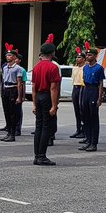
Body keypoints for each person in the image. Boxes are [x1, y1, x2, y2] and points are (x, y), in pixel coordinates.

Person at [31, 35, 61, 165]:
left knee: (38, 126)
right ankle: (42, 155)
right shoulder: (53, 67)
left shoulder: (36, 66)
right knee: (46, 126)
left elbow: (33, 87)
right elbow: (53, 88)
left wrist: (33, 103)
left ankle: (37, 155)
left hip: (38, 96)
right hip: (47, 96)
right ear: (53, 53)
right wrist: (54, 106)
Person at [78, 45, 105, 152]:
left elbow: (100, 83)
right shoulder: (85, 67)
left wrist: (99, 98)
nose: (87, 57)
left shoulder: (99, 68)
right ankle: (88, 140)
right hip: (86, 90)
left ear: (94, 56)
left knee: (93, 118)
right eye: (87, 55)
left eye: (90, 55)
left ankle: (94, 143)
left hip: (94, 90)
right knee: (85, 117)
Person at [0, 45, 25, 142]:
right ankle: (8, 132)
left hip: (13, 89)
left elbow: (19, 83)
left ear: (14, 57)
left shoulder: (18, 68)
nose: (8, 57)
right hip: (6, 89)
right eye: (7, 55)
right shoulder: (5, 67)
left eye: (10, 55)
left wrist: (19, 96)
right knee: (7, 112)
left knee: (13, 113)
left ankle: (13, 133)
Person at [69, 49, 86, 140]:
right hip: (75, 88)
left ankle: (84, 130)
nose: (77, 59)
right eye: (77, 57)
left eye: (79, 57)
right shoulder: (74, 68)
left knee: (82, 110)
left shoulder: (85, 68)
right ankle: (78, 129)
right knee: (76, 110)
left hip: (82, 88)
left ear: (83, 59)